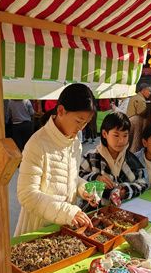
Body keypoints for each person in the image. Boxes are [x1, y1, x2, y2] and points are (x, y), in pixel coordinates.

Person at [15, 84, 97, 236]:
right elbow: (27, 194)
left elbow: (70, 178)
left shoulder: (75, 142)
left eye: (85, 123)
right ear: (61, 111)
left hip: (66, 225)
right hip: (39, 228)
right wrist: (67, 211)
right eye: (78, 121)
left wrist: (84, 188)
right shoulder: (37, 144)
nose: (81, 128)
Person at [79, 112, 148, 207]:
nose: (121, 140)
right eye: (116, 135)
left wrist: (125, 191)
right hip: (93, 210)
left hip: (123, 210)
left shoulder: (131, 160)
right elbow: (77, 177)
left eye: (125, 135)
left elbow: (142, 183)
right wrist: (96, 177)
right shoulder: (91, 157)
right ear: (104, 134)